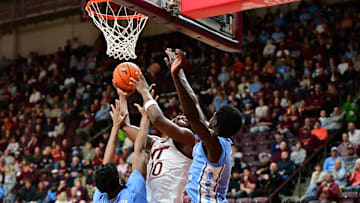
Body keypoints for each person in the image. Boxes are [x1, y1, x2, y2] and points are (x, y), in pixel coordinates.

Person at [168, 49, 243, 202]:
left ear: (214, 122)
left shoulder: (215, 145)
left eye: (213, 115)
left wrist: (175, 76)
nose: (209, 117)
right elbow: (194, 102)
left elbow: (193, 117)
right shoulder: (216, 141)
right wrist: (179, 70)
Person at [124, 73, 194, 202]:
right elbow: (125, 127)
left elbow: (157, 119)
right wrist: (123, 98)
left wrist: (145, 93)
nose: (179, 116)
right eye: (177, 115)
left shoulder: (188, 139)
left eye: (185, 118)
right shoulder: (157, 142)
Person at [93, 99, 148, 202]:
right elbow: (139, 149)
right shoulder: (133, 193)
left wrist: (115, 127)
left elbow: (107, 164)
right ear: (120, 182)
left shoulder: (100, 199)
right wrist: (145, 117)